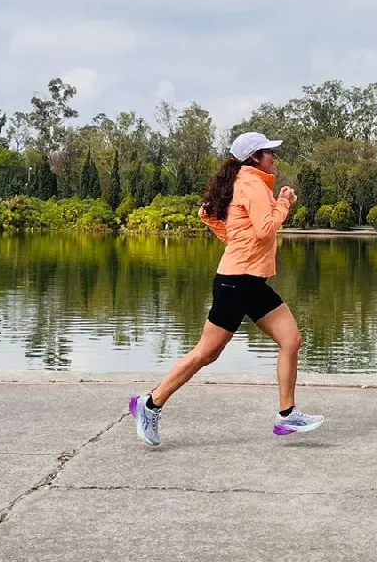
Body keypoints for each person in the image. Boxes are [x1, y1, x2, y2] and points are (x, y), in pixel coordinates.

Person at [129, 131, 323, 446]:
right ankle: (149, 404)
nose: (274, 157)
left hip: (251, 280)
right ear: (254, 158)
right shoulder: (252, 184)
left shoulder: (241, 183)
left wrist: (232, 237)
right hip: (236, 282)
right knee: (206, 353)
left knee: (291, 339)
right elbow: (264, 230)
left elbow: (206, 212)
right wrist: (284, 204)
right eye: (268, 152)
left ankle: (287, 415)